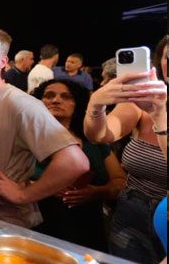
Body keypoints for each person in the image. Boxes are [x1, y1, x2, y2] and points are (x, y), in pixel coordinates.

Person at [0, 27, 89, 228]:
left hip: (5, 217)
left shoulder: (22, 104)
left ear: (2, 62)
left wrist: (23, 195)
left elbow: (75, 162)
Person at [84, 36, 167, 264]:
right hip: (132, 209)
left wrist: (160, 116)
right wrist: (96, 105)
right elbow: (99, 136)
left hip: (165, 213)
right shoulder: (144, 103)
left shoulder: (156, 109)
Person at [32, 79, 126, 251]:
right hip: (39, 225)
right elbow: (10, 180)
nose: (56, 100)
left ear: (78, 104)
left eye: (66, 97)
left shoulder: (93, 141)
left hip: (87, 226)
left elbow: (120, 182)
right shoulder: (27, 138)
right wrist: (43, 187)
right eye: (49, 96)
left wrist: (97, 192)